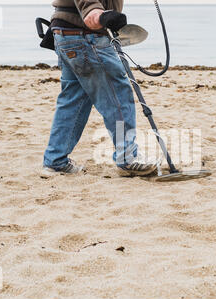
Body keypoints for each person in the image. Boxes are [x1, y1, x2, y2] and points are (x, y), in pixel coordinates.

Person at [42, 0, 159, 177]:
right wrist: (96, 12)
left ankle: (55, 162)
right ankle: (127, 157)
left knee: (74, 100)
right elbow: (89, 6)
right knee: (118, 95)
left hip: (65, 32)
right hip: (86, 35)